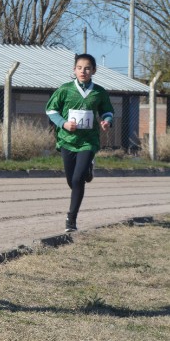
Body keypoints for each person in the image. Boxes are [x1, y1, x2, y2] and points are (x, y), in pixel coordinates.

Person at [46, 53, 114, 232]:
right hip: (67, 140)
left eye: (87, 68)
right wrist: (64, 123)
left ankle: (71, 219)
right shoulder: (65, 89)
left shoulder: (99, 92)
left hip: (88, 141)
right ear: (74, 70)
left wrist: (106, 121)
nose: (83, 71)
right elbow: (51, 110)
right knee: (72, 181)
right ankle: (88, 170)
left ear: (94, 71)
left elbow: (107, 111)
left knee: (77, 180)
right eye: (79, 68)